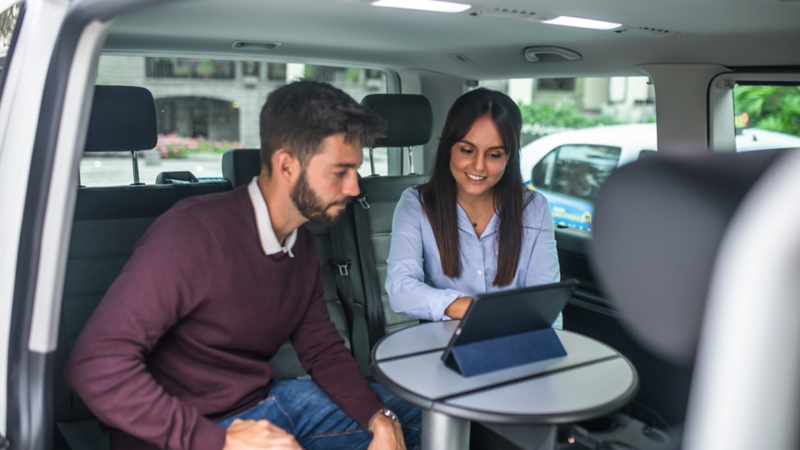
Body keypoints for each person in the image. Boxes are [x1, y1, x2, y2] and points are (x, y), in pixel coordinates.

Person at [65, 81, 421, 450]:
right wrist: (218, 441)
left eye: (356, 171)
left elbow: (321, 350)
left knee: (417, 417)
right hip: (177, 432)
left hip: (263, 404)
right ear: (286, 164)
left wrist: (378, 417)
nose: (354, 188)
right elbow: (94, 367)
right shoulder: (191, 234)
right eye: (340, 172)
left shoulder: (302, 244)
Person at [385, 88, 561, 325]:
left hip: (516, 343)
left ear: (509, 158)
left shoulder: (534, 208)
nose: (478, 166)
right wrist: (476, 310)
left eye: (494, 155)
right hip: (441, 346)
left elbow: (545, 302)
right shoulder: (416, 204)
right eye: (467, 151)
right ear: (449, 147)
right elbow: (400, 289)